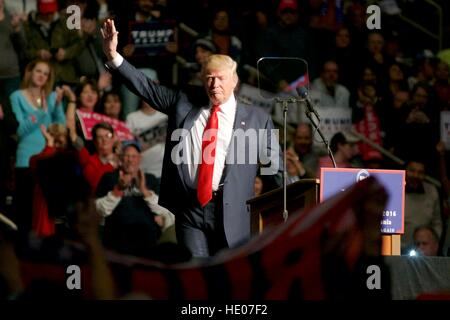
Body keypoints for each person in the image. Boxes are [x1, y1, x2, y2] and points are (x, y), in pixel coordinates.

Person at [101, 19, 282, 257]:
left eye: (220, 78)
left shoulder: (259, 119)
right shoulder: (183, 101)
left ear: (235, 81)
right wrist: (113, 55)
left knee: (227, 278)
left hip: (234, 214)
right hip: (190, 211)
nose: (214, 84)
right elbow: (146, 88)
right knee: (194, 277)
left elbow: (276, 170)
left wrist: (303, 209)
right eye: (208, 77)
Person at [95, 141, 174, 258]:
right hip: (117, 242)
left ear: (140, 159)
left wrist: (144, 191)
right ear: (121, 158)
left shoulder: (150, 179)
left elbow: (166, 211)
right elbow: (98, 210)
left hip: (147, 241)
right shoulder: (109, 178)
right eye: (126, 156)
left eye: (134, 156)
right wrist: (118, 189)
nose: (130, 160)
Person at [402, 159, 442, 253]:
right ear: (405, 171)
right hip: (399, 249)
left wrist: (433, 243)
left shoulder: (432, 191)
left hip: (425, 251)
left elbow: (437, 222)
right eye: (412, 171)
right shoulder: (394, 189)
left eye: (420, 172)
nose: (416, 175)